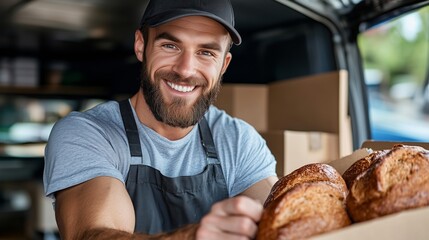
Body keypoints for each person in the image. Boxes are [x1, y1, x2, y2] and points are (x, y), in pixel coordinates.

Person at [43, 0, 278, 239]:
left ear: (224, 65)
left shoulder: (238, 140)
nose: (186, 70)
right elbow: (92, 234)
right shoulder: (88, 134)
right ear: (140, 45)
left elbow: (275, 222)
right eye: (170, 46)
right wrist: (192, 237)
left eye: (206, 52)